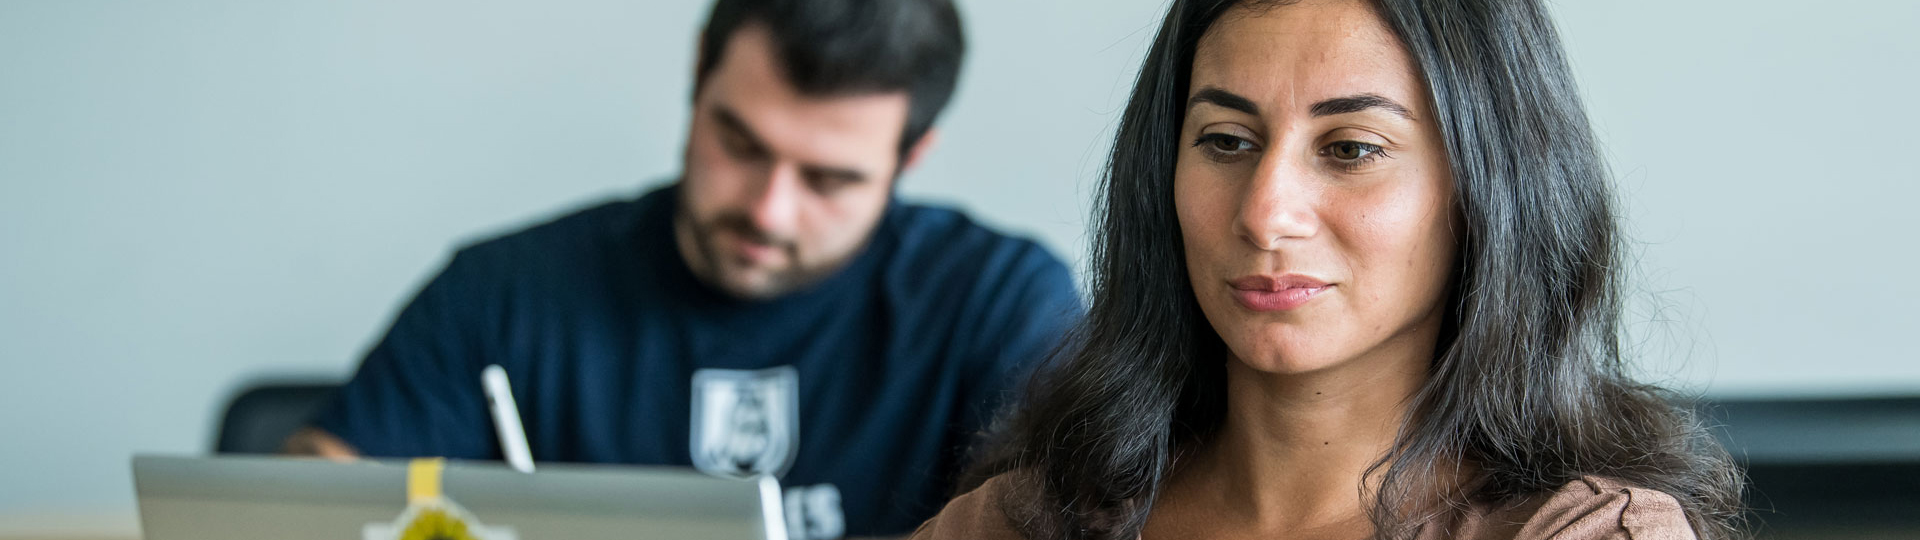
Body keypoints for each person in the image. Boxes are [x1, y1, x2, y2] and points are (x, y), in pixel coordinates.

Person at [912, 0, 1745, 539]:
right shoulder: (1022, 522)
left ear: (1488, 189)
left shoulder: (1581, 533)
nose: (1265, 211)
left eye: (1351, 149)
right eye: (1226, 143)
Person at [283, 0, 1083, 538]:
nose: (769, 210)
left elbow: (1073, 517)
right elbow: (308, 500)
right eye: (741, 144)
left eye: (828, 180)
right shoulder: (506, 291)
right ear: (698, 74)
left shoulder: (997, 302)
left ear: (911, 157)